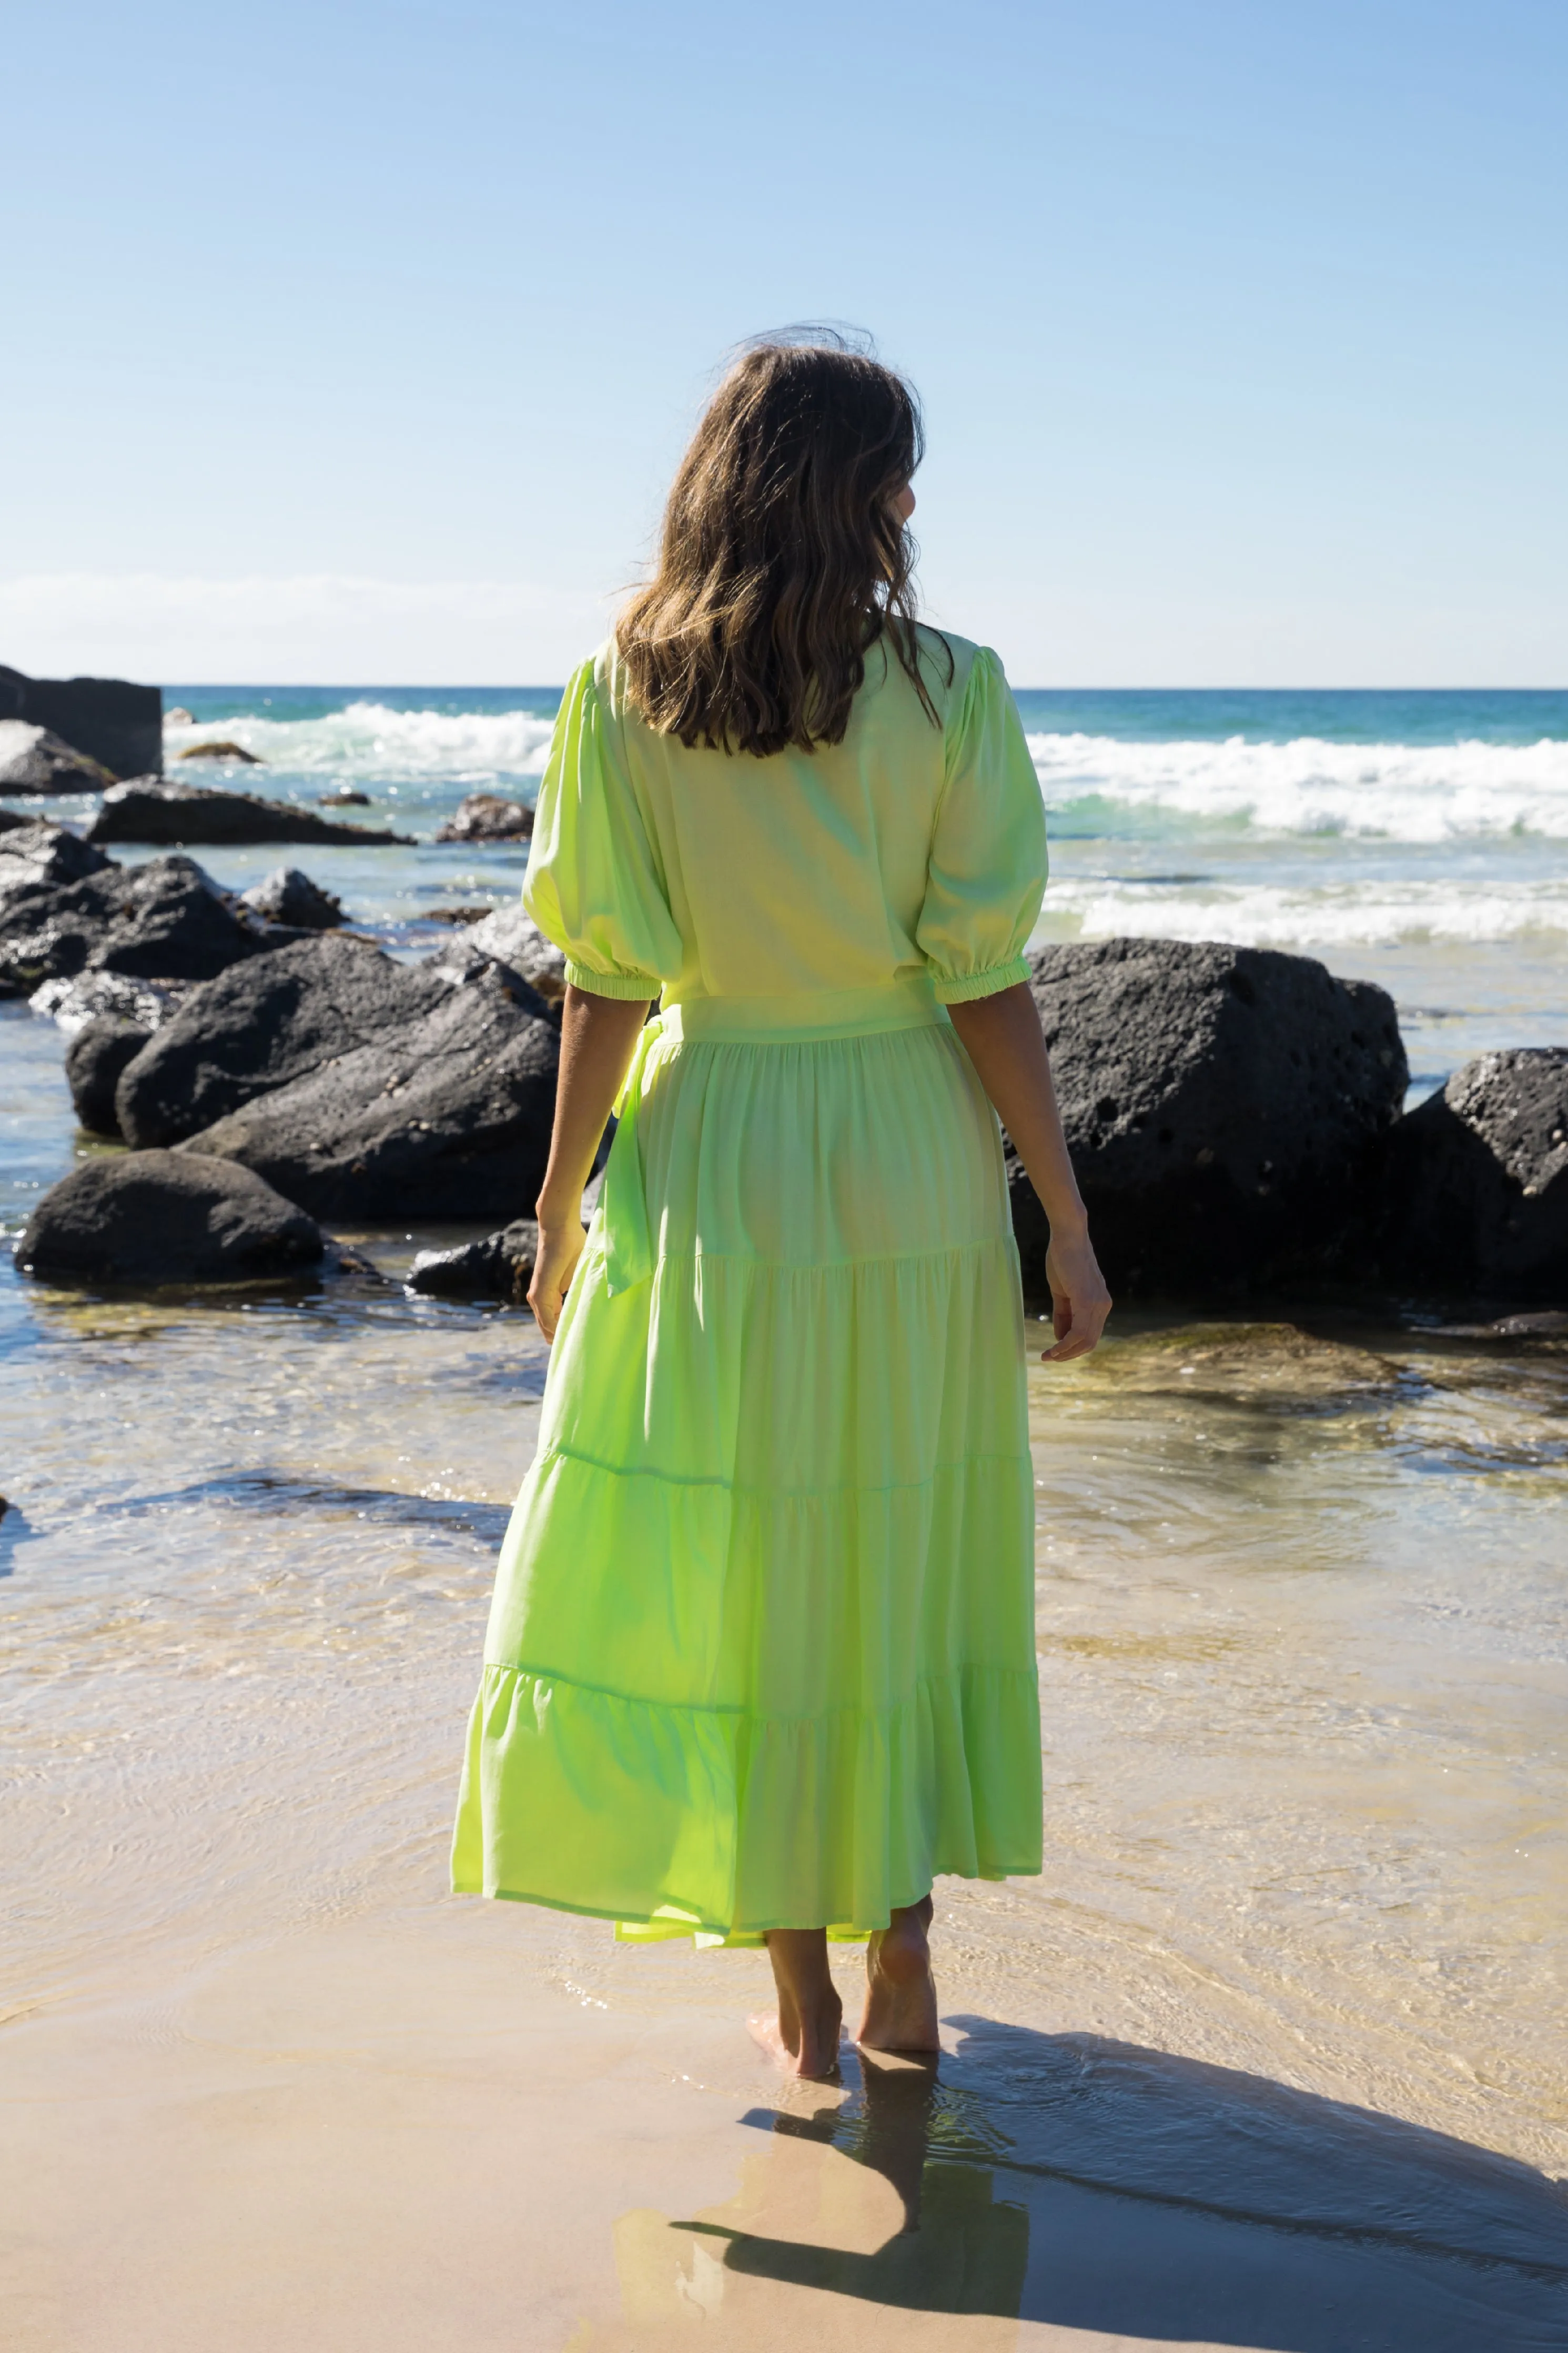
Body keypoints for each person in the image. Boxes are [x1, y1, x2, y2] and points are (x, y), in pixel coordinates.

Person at [451, 335, 1111, 2079]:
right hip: (897, 1144)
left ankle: (803, 1996)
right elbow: (982, 979)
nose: (911, 504)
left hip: (716, 1137)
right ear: (861, 491)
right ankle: (901, 1945)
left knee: (745, 1561)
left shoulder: (624, 687)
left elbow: (603, 976)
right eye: (900, 472)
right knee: (888, 1554)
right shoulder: (952, 687)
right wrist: (1062, 1213)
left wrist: (558, 1206)